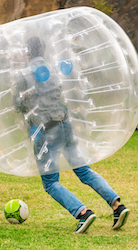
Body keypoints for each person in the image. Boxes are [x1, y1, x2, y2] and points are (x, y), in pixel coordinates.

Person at [13, 36, 130, 233]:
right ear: (43, 50)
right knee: (84, 171)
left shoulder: (24, 75)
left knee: (51, 183)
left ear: (27, 52)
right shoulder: (53, 69)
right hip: (64, 124)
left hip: (44, 130)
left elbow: (18, 105)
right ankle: (117, 206)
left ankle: (82, 213)